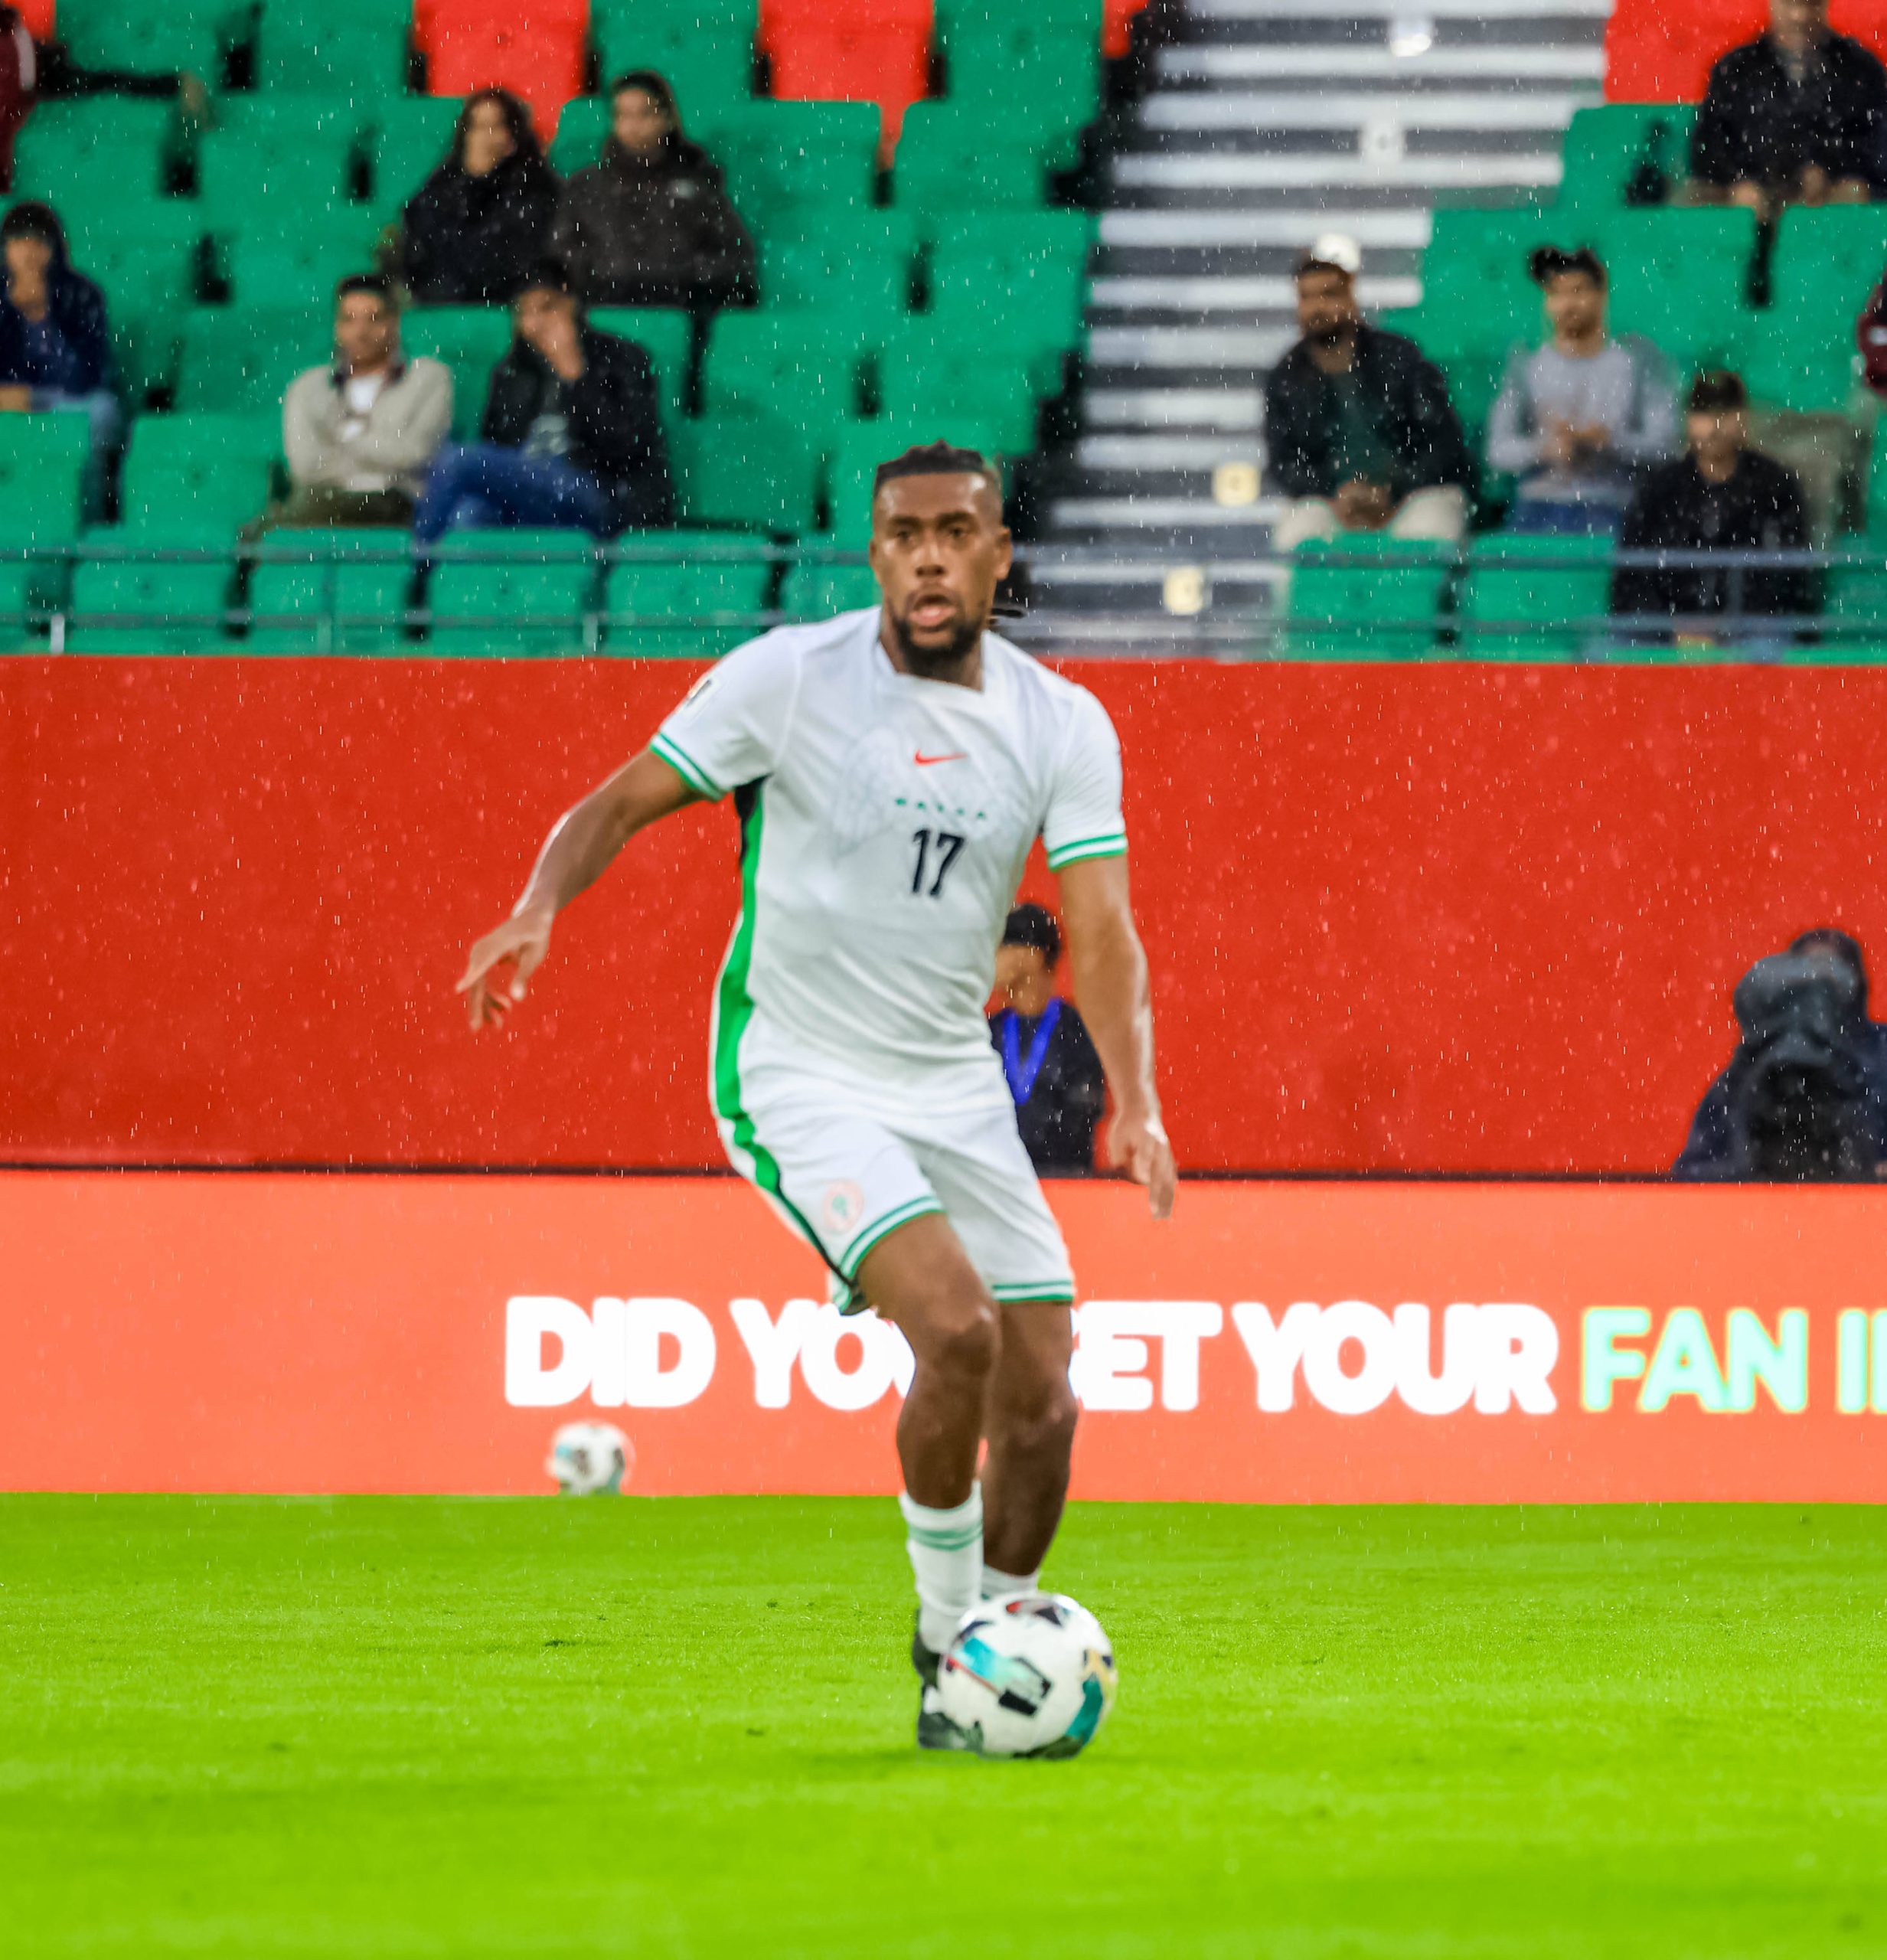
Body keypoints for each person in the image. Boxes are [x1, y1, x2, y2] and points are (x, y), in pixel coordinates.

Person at [455, 442, 1175, 1752]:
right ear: (875, 552)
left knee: (1045, 1404)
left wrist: (1137, 1098)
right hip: (798, 1071)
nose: (930, 558)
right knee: (955, 1330)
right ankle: (949, 1646)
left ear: (999, 554)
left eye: (956, 533)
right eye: (905, 535)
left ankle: (994, 1659)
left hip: (952, 1082)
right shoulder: (788, 679)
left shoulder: (1060, 722)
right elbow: (618, 802)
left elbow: (1103, 927)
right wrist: (537, 905)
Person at [412, 260, 671, 542]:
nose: (536, 323)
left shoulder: (622, 358)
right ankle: (446, 568)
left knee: (457, 459)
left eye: (547, 308)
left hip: (600, 490)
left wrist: (574, 375)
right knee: (468, 515)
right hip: (529, 492)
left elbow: (627, 446)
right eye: (524, 312)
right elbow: (498, 447)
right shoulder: (513, 371)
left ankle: (417, 562)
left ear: (571, 305)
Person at [1265, 238, 1476, 552]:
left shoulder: (1399, 358)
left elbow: (1444, 445)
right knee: (1297, 539)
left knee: (1430, 535)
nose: (1317, 308)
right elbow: (1284, 463)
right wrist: (1338, 493)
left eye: (1328, 294)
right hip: (1331, 503)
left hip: (1411, 496)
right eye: (1306, 297)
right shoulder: (1287, 377)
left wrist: (1393, 489)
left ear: (1351, 297)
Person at [1611, 370, 1816, 644]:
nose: (1714, 424)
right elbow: (1631, 579)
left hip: (1750, 629)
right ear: (1688, 420)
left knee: (1766, 644)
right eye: (1704, 412)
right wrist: (1673, 627)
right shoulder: (1660, 488)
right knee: (1624, 642)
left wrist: (1727, 625)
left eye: (1725, 412)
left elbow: (1790, 577)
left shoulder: (1774, 485)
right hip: (1667, 629)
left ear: (1743, 418)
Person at [1486, 246, 1678, 534]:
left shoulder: (1636, 361)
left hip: (1612, 505)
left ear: (1601, 296)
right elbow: (1498, 451)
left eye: (1578, 291)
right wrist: (1545, 449)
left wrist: (1608, 441)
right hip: (1537, 506)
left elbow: (1666, 448)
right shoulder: (1526, 363)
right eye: (1556, 293)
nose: (1568, 304)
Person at [1675, 929, 1887, 1180]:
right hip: (1761, 1204)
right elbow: (1693, 1172)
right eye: (1807, 978)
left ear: (1857, 988)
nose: (1817, 995)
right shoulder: (1746, 1072)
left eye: (1831, 982)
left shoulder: (1881, 1058)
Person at [550, 70, 756, 311]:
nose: (634, 126)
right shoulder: (585, 186)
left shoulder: (699, 185)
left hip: (682, 307)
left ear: (668, 119)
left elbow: (734, 258)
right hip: (604, 308)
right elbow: (561, 256)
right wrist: (600, 276)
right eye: (623, 115)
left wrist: (684, 278)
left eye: (645, 114)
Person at [263, 275, 452, 532]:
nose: (361, 332)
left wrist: (345, 439)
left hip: (398, 500)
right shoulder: (307, 387)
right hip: (324, 498)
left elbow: (418, 454)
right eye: (349, 320)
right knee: (300, 513)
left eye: (374, 319)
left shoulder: (429, 378)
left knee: (277, 527)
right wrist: (377, 465)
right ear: (336, 327)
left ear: (394, 323)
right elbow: (305, 467)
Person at [1689, 0, 1887, 221]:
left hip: (1831, 202)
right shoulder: (1736, 69)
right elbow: (1709, 147)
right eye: (1789, 4)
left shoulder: (1861, 71)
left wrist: (1830, 170)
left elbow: (1876, 144)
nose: (1799, 16)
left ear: (1825, 5)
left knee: (1854, 193)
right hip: (1755, 192)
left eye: (1811, 5)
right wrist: (1740, 181)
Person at [0, 5, 209, 192]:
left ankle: (177, 84)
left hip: (30, 65)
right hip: (30, 67)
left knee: (101, 81)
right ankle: (176, 84)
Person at [0, 199, 116, 514]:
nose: (29, 252)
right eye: (19, 241)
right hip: (8, 401)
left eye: (39, 241)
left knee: (102, 411)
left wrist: (43, 313)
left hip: (65, 401)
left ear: (55, 249)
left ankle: (87, 515)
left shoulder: (84, 295)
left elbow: (87, 378)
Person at [400, 88, 560, 308]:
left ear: (513, 138)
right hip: (444, 309)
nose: (485, 138)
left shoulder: (538, 193)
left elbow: (505, 266)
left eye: (494, 127)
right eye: (476, 127)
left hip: (510, 310)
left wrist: (478, 184)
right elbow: (418, 258)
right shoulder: (440, 190)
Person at [988, 904, 1106, 1174]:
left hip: (1062, 1179)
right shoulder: (988, 1031)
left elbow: (1083, 1115)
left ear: (1034, 956)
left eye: (1002, 946)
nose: (991, 958)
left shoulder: (1077, 1031)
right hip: (998, 1177)